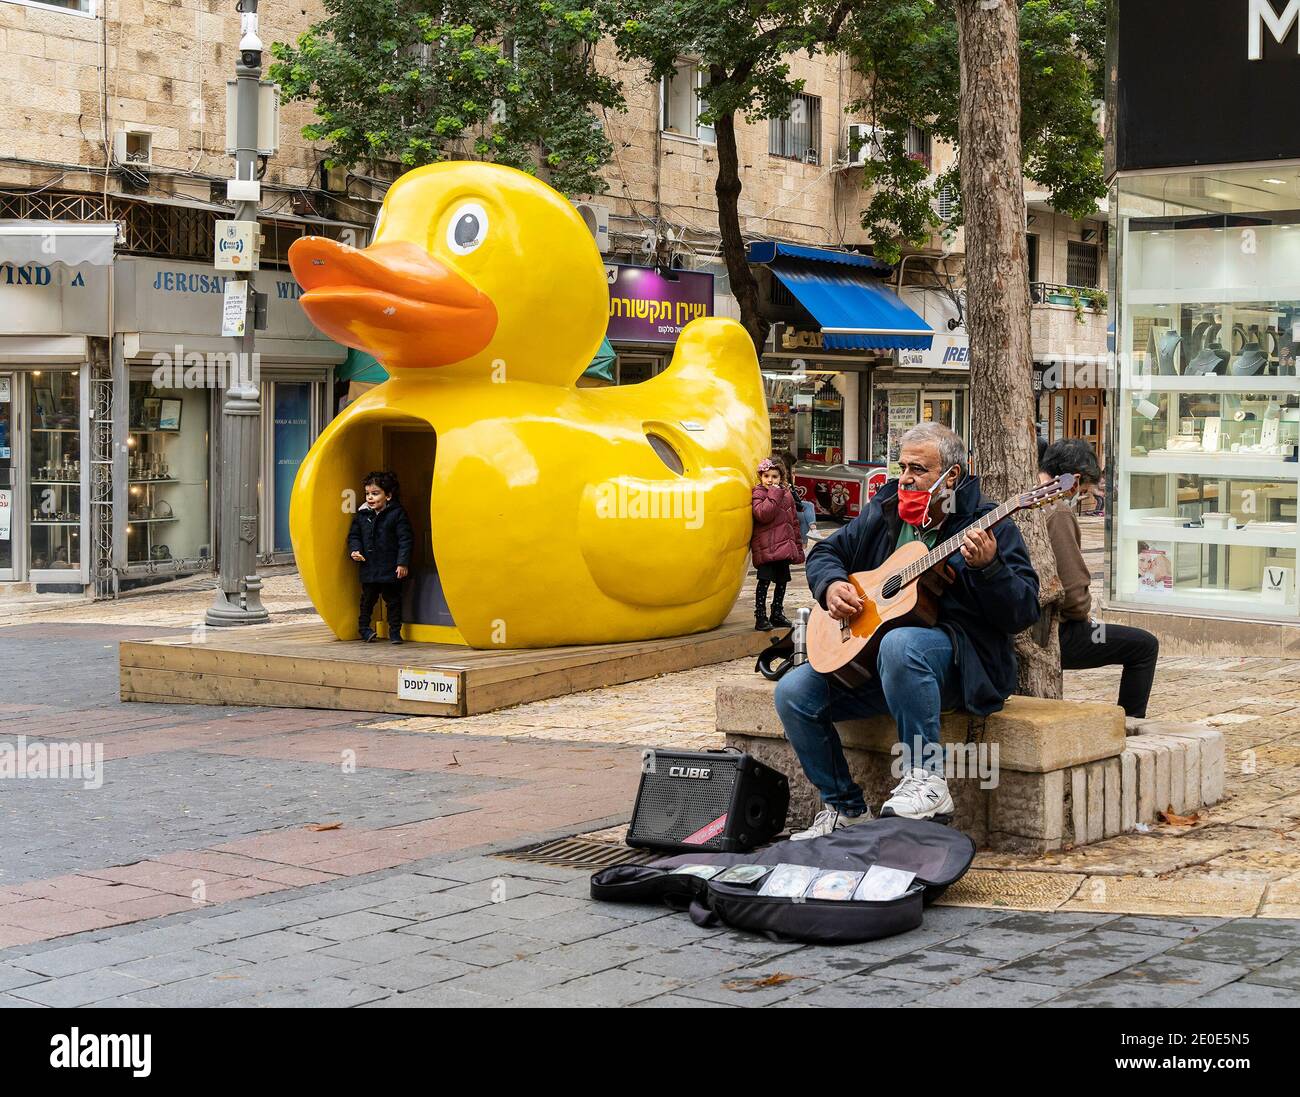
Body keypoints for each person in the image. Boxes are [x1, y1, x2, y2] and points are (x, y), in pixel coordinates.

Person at [774, 422, 1041, 836]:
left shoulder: (988, 523)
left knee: (902, 643)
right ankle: (846, 809)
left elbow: (1023, 612)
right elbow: (826, 550)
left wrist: (989, 570)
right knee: (794, 692)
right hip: (870, 662)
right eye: (903, 466)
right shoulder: (884, 510)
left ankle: (927, 780)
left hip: (956, 666)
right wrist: (831, 586)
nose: (907, 478)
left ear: (951, 476)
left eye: (919, 469)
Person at [1040, 438, 1157, 722]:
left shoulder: (1020, 495)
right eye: (1083, 491)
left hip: (1020, 623)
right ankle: (1130, 725)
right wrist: (1085, 616)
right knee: (1144, 646)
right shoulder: (1057, 510)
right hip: (1049, 631)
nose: (1082, 498)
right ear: (1073, 480)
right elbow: (1073, 598)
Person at [348, 470, 414, 645]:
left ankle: (394, 631)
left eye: (375, 493)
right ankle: (364, 629)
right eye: (367, 494)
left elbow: (405, 539)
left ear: (388, 496)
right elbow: (354, 535)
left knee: (393, 600)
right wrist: (355, 550)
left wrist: (402, 563)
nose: (370, 497)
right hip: (369, 566)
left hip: (390, 566)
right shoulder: (362, 515)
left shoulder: (397, 514)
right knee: (367, 600)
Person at [750, 457, 805, 630]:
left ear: (781, 478)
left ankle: (777, 613)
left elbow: (793, 522)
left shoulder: (787, 495)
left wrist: (797, 546)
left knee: (782, 581)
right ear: (761, 477)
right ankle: (760, 615)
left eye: (774, 476)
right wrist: (773, 493)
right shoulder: (759, 493)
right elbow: (762, 514)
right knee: (764, 581)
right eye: (766, 476)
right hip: (767, 547)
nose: (770, 480)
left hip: (784, 547)